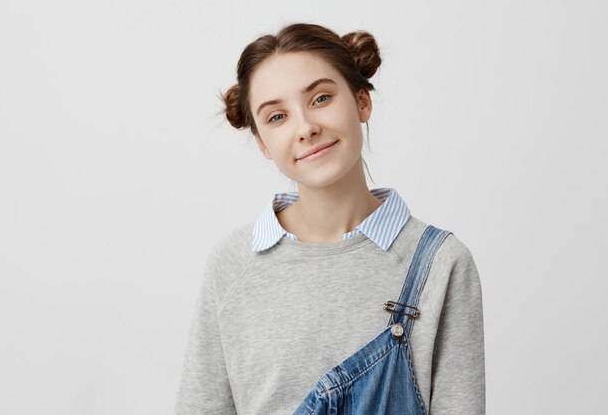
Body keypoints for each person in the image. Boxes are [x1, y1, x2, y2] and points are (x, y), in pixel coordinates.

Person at [174, 22, 485, 415]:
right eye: (277, 117)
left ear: (361, 102)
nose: (306, 128)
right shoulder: (232, 264)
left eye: (320, 98)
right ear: (262, 144)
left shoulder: (441, 264)